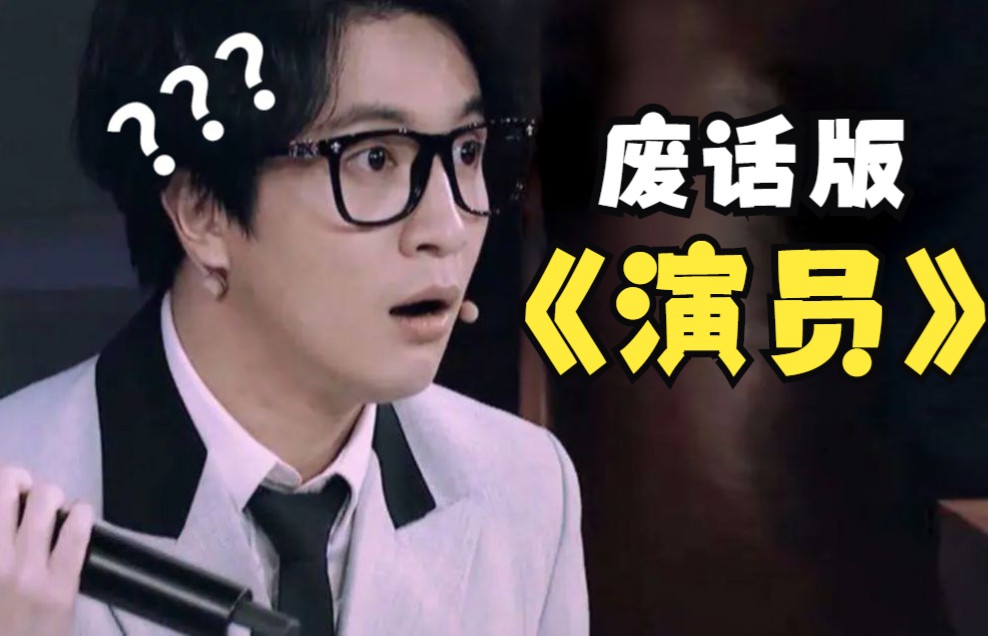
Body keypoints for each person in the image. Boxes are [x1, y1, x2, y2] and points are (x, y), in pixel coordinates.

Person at [0, 0, 588, 634]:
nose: (447, 228)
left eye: (468, 152)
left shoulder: (525, 486)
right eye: (374, 158)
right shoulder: (21, 476)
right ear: (202, 211)